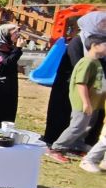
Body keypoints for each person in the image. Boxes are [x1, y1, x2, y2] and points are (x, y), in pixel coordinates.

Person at [43, 11, 106, 147]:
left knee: (92, 117)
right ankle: (55, 143)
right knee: (65, 114)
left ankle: (81, 143)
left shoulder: (101, 42)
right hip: (70, 84)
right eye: (102, 23)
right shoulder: (78, 42)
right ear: (92, 24)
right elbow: (78, 66)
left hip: (92, 86)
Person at [48, 34, 106, 165]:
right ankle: (57, 148)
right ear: (95, 46)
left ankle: (77, 146)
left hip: (93, 102)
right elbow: (81, 83)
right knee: (77, 126)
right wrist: (85, 102)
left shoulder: (97, 62)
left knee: (87, 126)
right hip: (83, 102)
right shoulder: (87, 62)